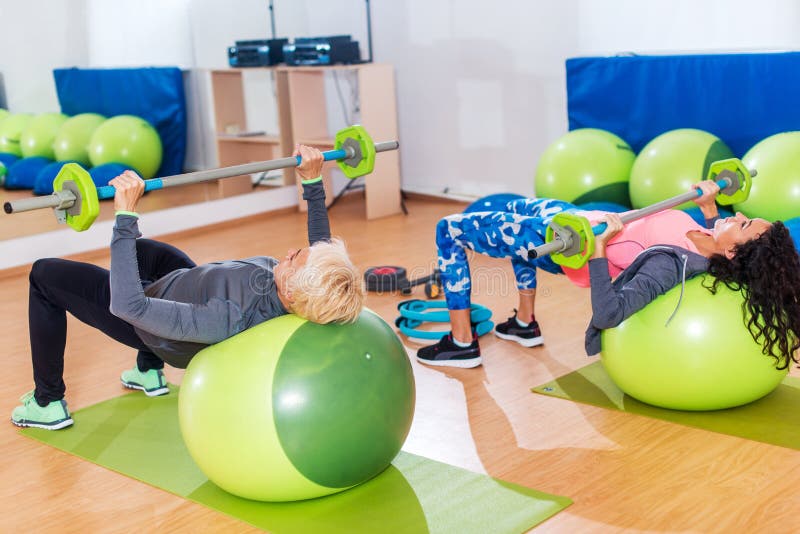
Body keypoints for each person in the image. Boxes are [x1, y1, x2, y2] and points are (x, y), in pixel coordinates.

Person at [12, 145, 365, 430]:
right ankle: (148, 373)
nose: (288, 254)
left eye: (293, 260)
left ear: (291, 293)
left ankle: (47, 402)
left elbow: (129, 306)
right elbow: (320, 250)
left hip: (143, 318)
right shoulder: (300, 293)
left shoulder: (228, 316)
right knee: (146, 252)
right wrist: (313, 182)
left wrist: (124, 218)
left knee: (44, 275)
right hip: (190, 288)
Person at [416, 181, 800, 370]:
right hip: (573, 218)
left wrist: (598, 252)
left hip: (566, 242)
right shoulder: (712, 245)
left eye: (744, 222)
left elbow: (608, 315)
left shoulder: (670, 264)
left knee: (448, 229)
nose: (737, 214)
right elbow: (720, 247)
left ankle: (462, 341)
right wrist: (710, 208)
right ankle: (524, 323)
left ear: (737, 250)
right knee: (518, 203)